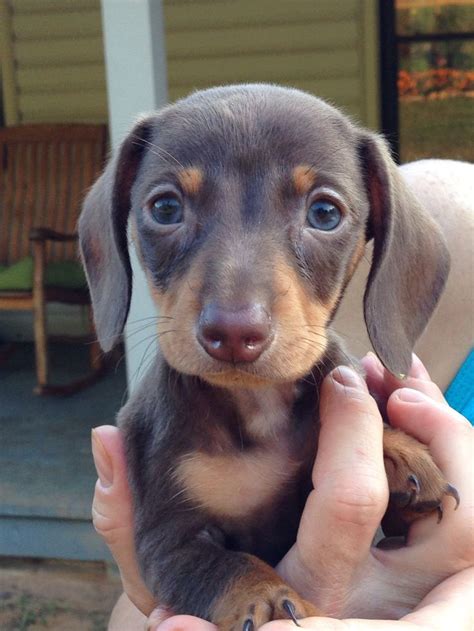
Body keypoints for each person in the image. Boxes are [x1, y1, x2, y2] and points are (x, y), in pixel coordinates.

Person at [91, 160, 473, 629]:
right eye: (168, 210)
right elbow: (163, 560)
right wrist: (242, 590)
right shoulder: (172, 429)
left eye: (324, 213)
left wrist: (384, 443)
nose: (235, 316)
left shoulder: (348, 394)